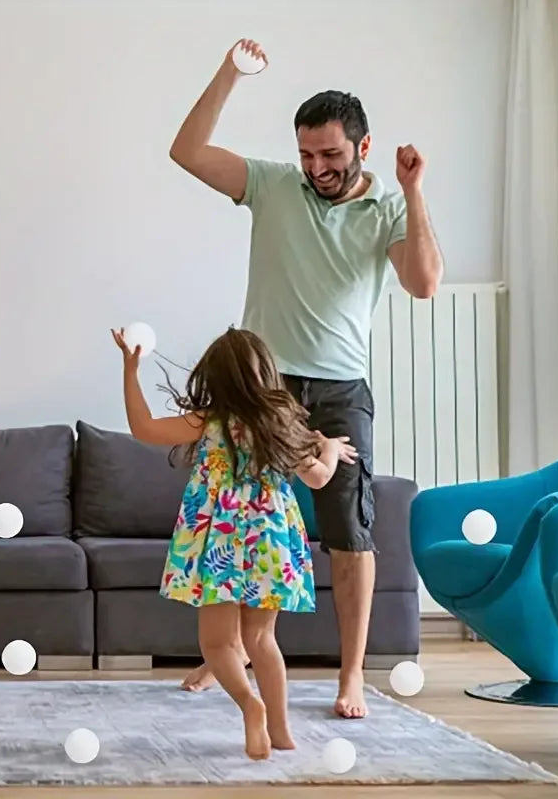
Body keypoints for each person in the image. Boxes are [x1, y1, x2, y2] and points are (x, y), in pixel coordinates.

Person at [168, 39, 444, 719]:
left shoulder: (386, 211)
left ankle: (352, 675)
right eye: (308, 155)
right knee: (242, 520)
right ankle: (224, 651)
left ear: (362, 147)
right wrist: (232, 73)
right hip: (263, 387)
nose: (318, 168)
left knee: (349, 532)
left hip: (340, 389)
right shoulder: (270, 185)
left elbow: (425, 282)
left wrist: (412, 190)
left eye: (331, 155)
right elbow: (188, 151)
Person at [111, 326, 357, 760]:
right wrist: (330, 448)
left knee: (219, 644)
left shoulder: (209, 421)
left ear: (216, 377)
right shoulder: (281, 424)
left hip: (216, 537)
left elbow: (143, 427)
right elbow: (319, 477)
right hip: (268, 539)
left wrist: (131, 370)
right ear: (265, 375)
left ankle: (250, 704)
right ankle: (281, 732)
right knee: (262, 639)